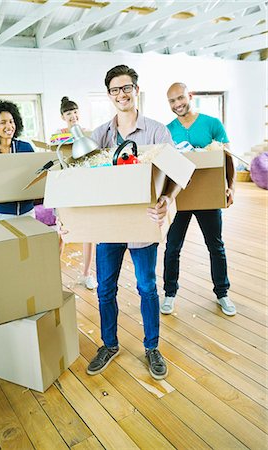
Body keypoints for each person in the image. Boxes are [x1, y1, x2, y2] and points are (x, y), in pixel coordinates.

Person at [86, 65, 181, 380]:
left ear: (136, 90)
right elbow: (77, 177)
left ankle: (152, 346)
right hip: (109, 225)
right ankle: (109, 344)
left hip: (142, 222)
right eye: (115, 90)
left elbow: (178, 172)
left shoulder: (156, 131)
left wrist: (167, 199)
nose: (121, 94)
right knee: (104, 289)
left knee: (146, 286)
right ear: (110, 95)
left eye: (126, 88)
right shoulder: (100, 135)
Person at [161, 82, 236, 317]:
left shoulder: (212, 123)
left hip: (208, 196)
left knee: (216, 246)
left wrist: (231, 187)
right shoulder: (167, 130)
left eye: (180, 98)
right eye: (172, 101)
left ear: (190, 96)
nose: (177, 104)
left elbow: (227, 158)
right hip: (179, 197)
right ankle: (169, 293)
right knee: (172, 247)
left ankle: (222, 293)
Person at [52, 97, 97, 290]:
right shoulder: (58, 138)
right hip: (66, 189)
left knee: (89, 233)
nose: (73, 116)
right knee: (62, 233)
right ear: (63, 117)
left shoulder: (87, 134)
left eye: (75, 112)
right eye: (69, 113)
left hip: (87, 188)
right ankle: (51, 274)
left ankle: (86, 273)